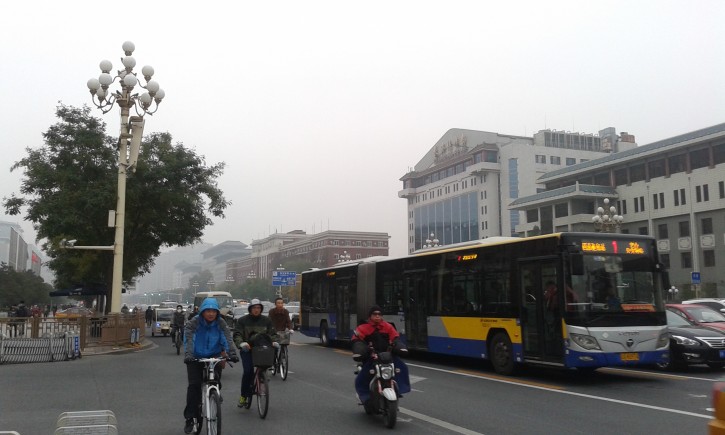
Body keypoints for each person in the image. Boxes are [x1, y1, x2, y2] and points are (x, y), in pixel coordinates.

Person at [182, 297, 238, 434]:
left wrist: (232, 352)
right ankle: (190, 417)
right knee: (194, 386)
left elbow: (227, 338)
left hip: (214, 355)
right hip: (195, 356)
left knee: (216, 379)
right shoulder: (194, 322)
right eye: (208, 311)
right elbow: (189, 338)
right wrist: (189, 355)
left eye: (214, 311)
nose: (211, 314)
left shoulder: (221, 322)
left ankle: (214, 394)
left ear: (217, 312)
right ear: (202, 311)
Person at [351, 305, 411, 405]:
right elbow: (356, 340)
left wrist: (400, 348)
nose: (377, 316)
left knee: (402, 367)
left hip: (387, 356)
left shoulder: (388, 326)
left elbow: (395, 338)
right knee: (364, 375)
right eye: (375, 314)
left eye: (379, 314)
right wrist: (359, 350)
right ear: (370, 316)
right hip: (371, 357)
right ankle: (364, 395)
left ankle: (399, 388)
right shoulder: (363, 328)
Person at [233, 298, 278, 408]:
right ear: (250, 309)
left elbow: (273, 333)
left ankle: (263, 377)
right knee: (248, 372)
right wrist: (241, 344)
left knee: (265, 365)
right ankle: (243, 396)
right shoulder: (242, 320)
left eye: (258, 308)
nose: (256, 310)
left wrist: (274, 341)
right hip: (247, 349)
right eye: (254, 308)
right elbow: (237, 334)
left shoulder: (266, 320)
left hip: (262, 349)